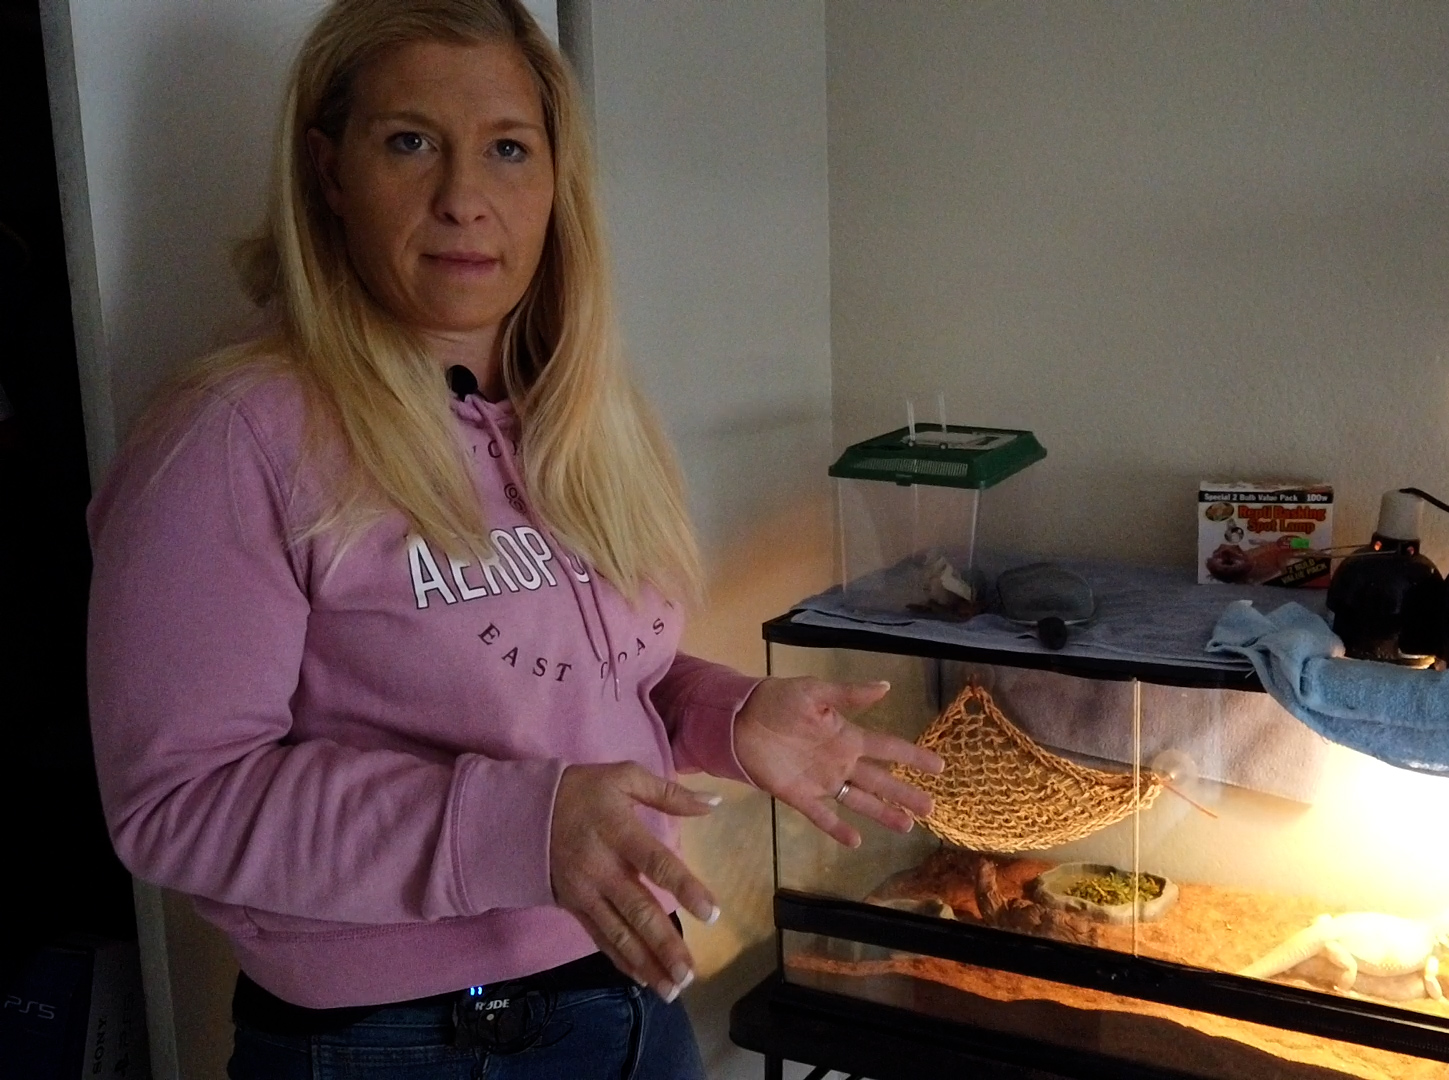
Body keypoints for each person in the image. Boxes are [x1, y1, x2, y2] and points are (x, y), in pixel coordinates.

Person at [83, 2, 942, 1077]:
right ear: (327, 171)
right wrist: (523, 826)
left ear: (553, 182)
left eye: (506, 149)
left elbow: (593, 681)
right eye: (409, 143)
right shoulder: (233, 435)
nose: (463, 200)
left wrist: (731, 717)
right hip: (397, 1043)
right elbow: (180, 801)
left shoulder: (576, 412)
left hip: (631, 995)